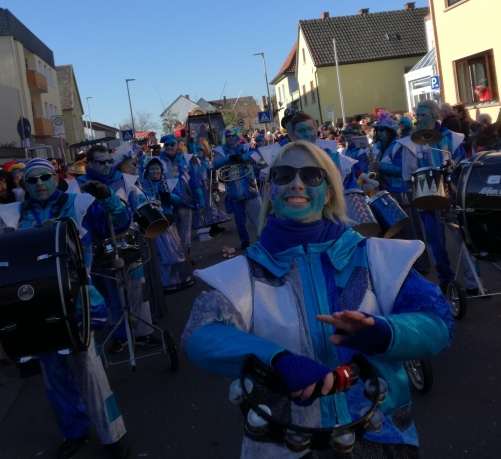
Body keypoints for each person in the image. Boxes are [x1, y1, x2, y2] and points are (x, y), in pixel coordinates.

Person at [182, 141, 453, 458]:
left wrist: (386, 333)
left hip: (381, 442)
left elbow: (437, 321)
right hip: (283, 448)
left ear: (328, 193)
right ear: (270, 190)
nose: (297, 183)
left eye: (312, 176)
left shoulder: (378, 257)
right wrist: (276, 359)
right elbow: (201, 334)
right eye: (284, 175)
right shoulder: (243, 273)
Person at [1, 158, 133, 459]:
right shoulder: (14, 215)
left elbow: (120, 224)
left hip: (78, 300)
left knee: (90, 370)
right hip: (37, 304)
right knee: (53, 373)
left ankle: (112, 434)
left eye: (45, 177)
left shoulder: (79, 205)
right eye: (32, 179)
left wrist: (108, 197)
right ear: (24, 184)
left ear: (55, 177)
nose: (39, 183)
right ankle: (74, 431)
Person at [78, 145, 157, 351]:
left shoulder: (124, 180)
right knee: (111, 293)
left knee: (136, 288)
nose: (106, 165)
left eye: (109, 161)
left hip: (128, 242)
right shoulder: (80, 186)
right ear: (90, 164)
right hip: (100, 249)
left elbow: (137, 204)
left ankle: (143, 332)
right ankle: (120, 335)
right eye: (101, 162)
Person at [406, 101, 482, 292]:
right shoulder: (411, 142)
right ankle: (446, 280)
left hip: (452, 195)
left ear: (435, 116)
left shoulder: (451, 138)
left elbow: (463, 164)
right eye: (418, 115)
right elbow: (407, 175)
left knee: (464, 238)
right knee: (435, 243)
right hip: (426, 198)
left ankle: (473, 282)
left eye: (423, 115)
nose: (419, 119)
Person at [368, 110, 431, 272]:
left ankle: (419, 266)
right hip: (386, 191)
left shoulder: (400, 145)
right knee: (394, 233)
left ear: (389, 131)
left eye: (382, 130)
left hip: (401, 192)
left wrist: (381, 166)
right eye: (377, 130)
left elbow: (404, 170)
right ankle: (402, 268)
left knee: (409, 232)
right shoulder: (380, 147)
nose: (378, 133)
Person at [138, 157, 194, 291]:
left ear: (161, 170)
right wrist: (151, 202)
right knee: (160, 254)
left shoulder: (169, 183)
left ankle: (180, 279)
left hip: (168, 222)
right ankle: (163, 283)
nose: (155, 171)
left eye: (157, 168)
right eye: (152, 168)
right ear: (147, 171)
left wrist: (169, 197)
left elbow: (178, 200)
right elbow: (140, 199)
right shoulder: (142, 184)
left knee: (175, 252)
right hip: (154, 222)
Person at [212, 127, 263, 250]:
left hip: (250, 187)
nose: (230, 138)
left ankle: (262, 241)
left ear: (237, 136)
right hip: (233, 189)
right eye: (228, 136)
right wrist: (229, 158)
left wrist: (242, 158)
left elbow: (257, 156)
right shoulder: (220, 150)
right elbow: (216, 164)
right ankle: (245, 241)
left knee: (258, 217)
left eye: (233, 135)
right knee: (239, 220)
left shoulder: (245, 147)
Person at [158, 134, 204, 258]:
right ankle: (175, 257)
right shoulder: (159, 161)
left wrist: (201, 199)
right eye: (166, 145)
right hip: (168, 202)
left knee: (185, 231)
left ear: (177, 145)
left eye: (172, 144)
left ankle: (185, 258)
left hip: (185, 200)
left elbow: (194, 180)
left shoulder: (185, 159)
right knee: (171, 231)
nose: (169, 147)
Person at [191, 140, 229, 237]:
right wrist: (192, 139)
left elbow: (210, 171)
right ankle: (209, 227)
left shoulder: (205, 160)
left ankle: (214, 225)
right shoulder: (194, 161)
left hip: (208, 185)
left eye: (201, 150)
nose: (200, 152)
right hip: (201, 186)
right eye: (198, 150)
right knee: (206, 207)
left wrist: (214, 176)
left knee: (213, 205)